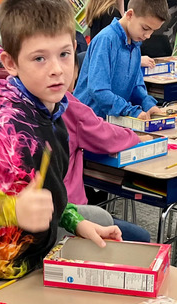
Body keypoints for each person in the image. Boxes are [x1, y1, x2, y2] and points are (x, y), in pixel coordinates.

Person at [0, 0, 123, 292]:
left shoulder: (51, 112)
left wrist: (76, 222)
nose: (57, 69)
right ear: (10, 63)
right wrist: (13, 210)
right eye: (39, 58)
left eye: (64, 54)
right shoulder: (0, 128)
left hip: (32, 257)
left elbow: (49, 192)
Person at [64, 53, 151, 243]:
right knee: (142, 238)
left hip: (53, 215)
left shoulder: (3, 109)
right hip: (68, 215)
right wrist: (135, 137)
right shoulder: (68, 106)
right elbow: (104, 134)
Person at [74, 0, 172, 120]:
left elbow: (136, 86)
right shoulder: (106, 40)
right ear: (130, 15)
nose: (148, 35)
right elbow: (98, 90)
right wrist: (130, 110)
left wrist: (148, 104)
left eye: (153, 31)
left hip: (113, 120)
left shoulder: (135, 43)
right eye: (145, 28)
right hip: (89, 120)